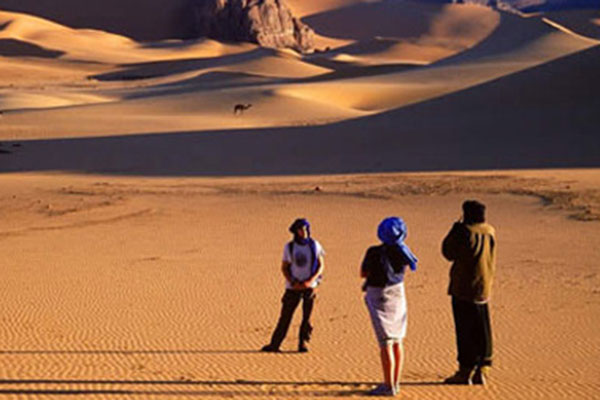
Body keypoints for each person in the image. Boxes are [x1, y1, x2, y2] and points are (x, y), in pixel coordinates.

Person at [442, 200, 497, 385]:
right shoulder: (489, 230)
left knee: (465, 330)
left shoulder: (465, 232)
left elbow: (448, 252)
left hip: (463, 287)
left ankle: (465, 370)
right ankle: (483, 368)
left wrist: (454, 229)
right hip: (484, 286)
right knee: (482, 328)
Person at [361, 217, 418, 396]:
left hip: (378, 295)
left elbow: (363, 273)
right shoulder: (403, 252)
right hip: (397, 294)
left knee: (385, 342)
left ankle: (388, 385)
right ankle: (395, 383)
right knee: (397, 340)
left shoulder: (374, 252)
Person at [261, 218, 325, 353]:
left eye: (306, 229)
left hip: (309, 287)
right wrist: (292, 281)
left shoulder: (315, 245)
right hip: (293, 287)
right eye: (301, 229)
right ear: (296, 231)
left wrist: (310, 281)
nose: (304, 232)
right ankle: (275, 344)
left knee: (307, 318)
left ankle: (303, 343)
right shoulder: (289, 247)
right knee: (285, 316)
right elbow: (284, 267)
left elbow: (320, 265)